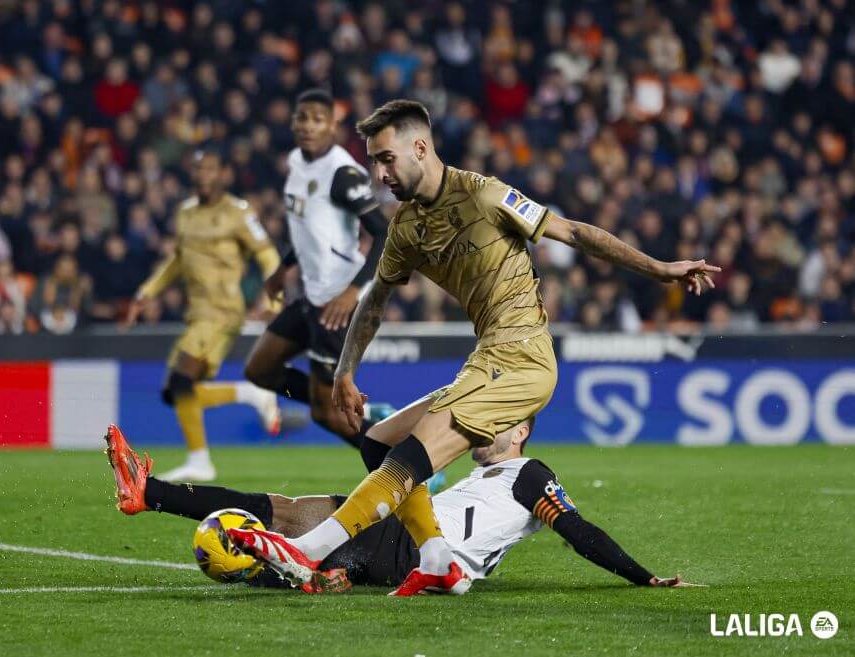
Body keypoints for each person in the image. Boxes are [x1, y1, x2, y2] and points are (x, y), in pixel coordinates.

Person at [225, 99, 720, 595]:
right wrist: (345, 371)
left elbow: (572, 232)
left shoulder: (485, 196)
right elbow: (374, 301)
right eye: (373, 161)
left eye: (386, 158)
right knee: (380, 443)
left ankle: (307, 550)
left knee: (409, 457)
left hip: (523, 355)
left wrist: (660, 269)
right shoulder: (406, 228)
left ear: (420, 147)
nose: (379, 173)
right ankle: (437, 556)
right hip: (489, 356)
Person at [104, 423, 696, 593]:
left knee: (283, 518)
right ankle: (322, 574)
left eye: (500, 424)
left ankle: (150, 495)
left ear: (522, 432)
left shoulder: (529, 474)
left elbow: (577, 529)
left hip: (410, 548)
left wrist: (641, 577)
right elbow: (380, 449)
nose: (485, 430)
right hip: (404, 540)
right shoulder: (482, 473)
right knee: (286, 513)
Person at [241, 90, 435, 478]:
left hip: (337, 302)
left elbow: (384, 235)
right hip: (310, 295)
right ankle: (349, 407)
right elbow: (307, 230)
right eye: (302, 117)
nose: (308, 125)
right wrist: (283, 269)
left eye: (317, 118)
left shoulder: (342, 175)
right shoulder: (297, 163)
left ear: (333, 125)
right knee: (260, 369)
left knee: (327, 415)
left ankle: (403, 463)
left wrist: (352, 292)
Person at [126, 148, 282, 482]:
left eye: (210, 168)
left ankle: (201, 459)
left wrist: (274, 298)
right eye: (198, 169)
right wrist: (147, 292)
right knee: (177, 390)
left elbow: (268, 256)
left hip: (223, 312)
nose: (203, 175)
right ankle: (245, 402)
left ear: (223, 173)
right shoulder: (185, 213)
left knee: (181, 380)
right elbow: (178, 262)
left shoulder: (238, 213)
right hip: (197, 313)